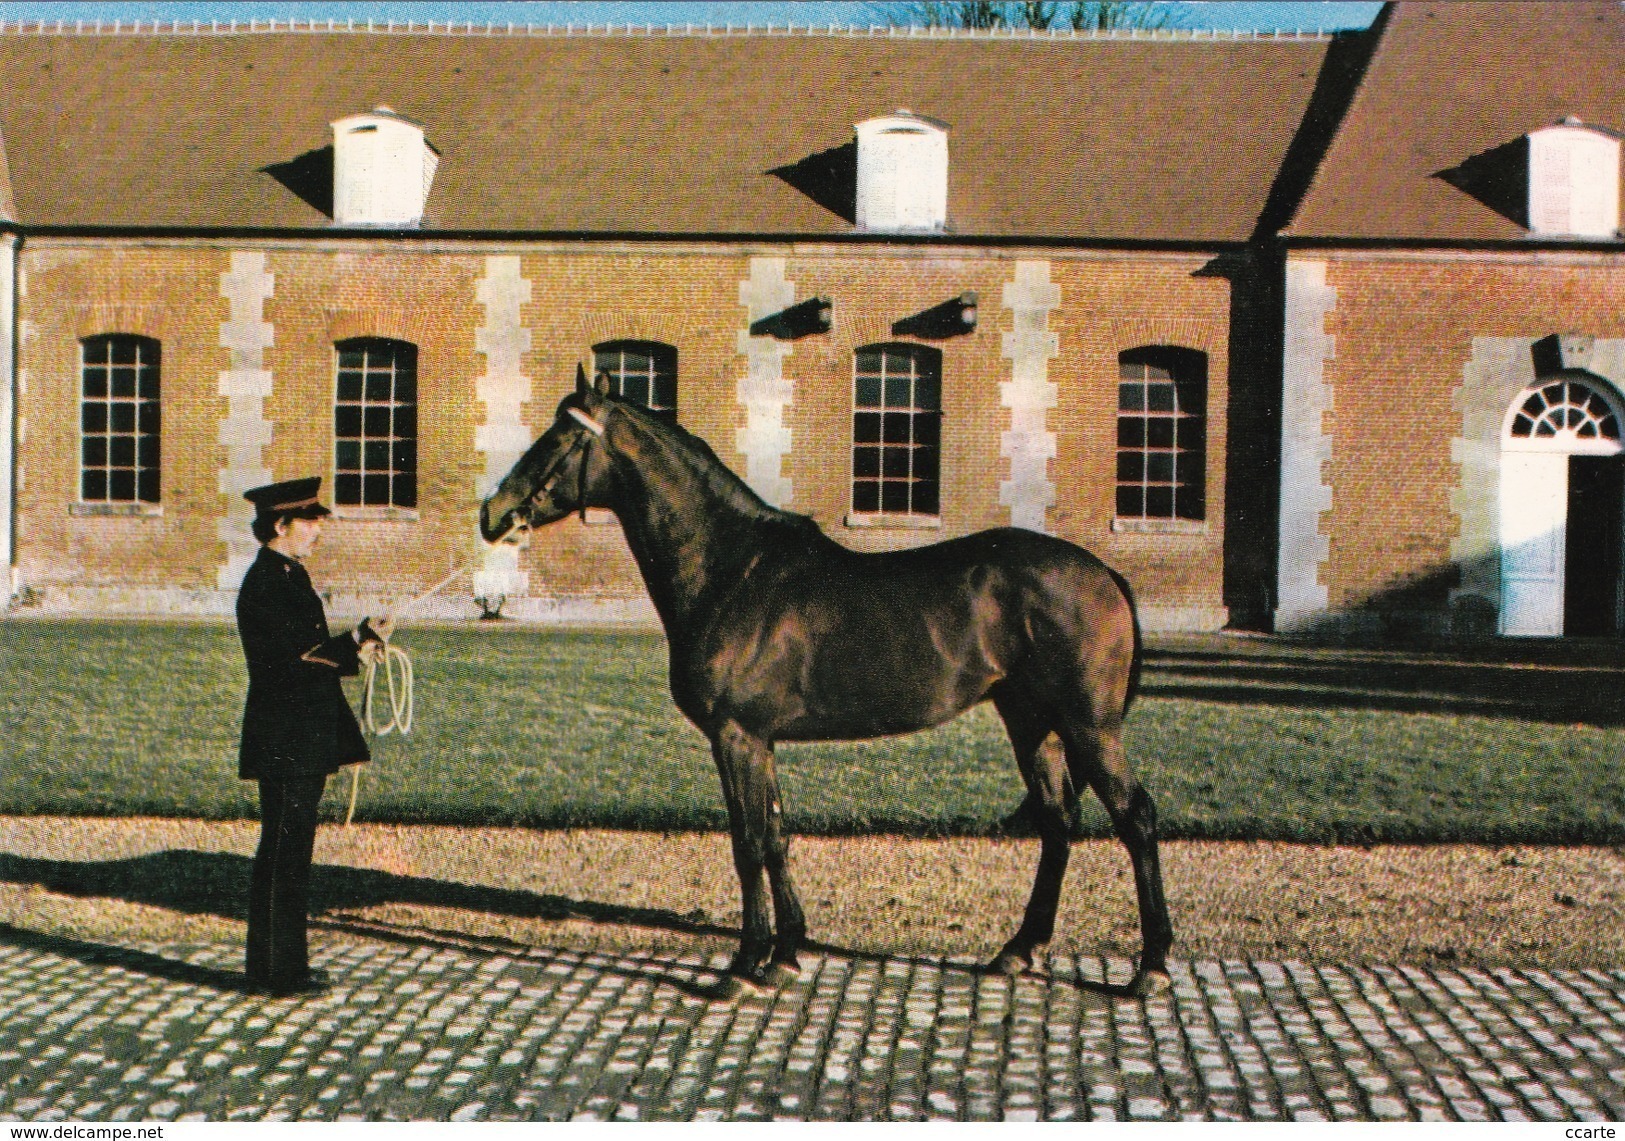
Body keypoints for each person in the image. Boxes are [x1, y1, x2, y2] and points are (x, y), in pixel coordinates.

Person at [235, 477, 391, 997]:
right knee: (283, 850)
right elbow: (294, 659)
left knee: (292, 849)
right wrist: (353, 642)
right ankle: (274, 973)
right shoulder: (267, 584)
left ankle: (285, 967)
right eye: (310, 520)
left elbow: (309, 650)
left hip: (296, 731)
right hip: (286, 734)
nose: (318, 530)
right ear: (281, 525)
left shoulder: (286, 578)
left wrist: (356, 643)